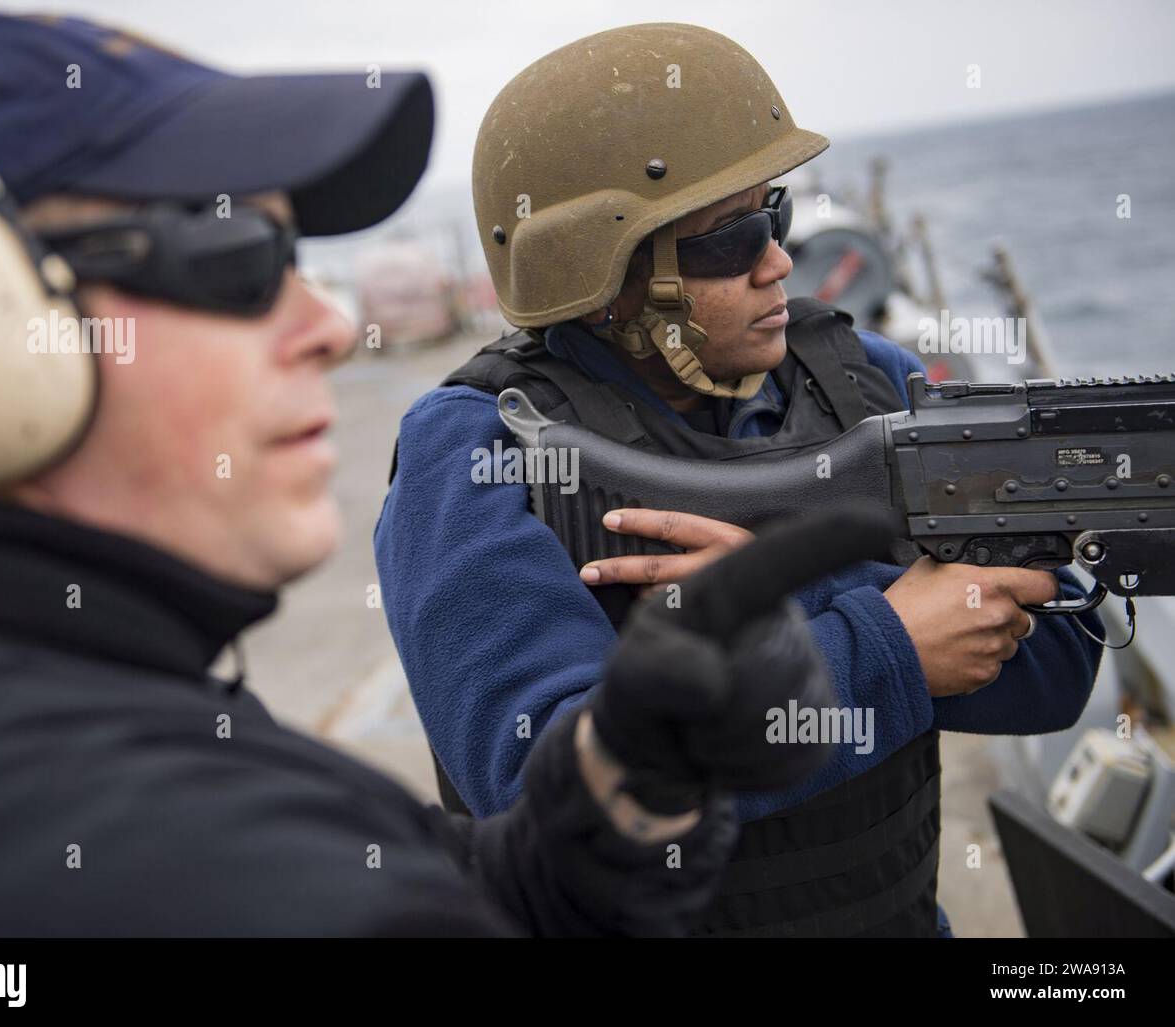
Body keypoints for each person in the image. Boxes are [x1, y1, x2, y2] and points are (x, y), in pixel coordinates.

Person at [0, 13, 850, 937]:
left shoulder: (86, 710)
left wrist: (625, 774)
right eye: (233, 255)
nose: (333, 326)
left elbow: (477, 881)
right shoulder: (131, 841)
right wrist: (882, 643)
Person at [375, 22, 1106, 937]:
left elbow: (1061, 666)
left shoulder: (863, 380)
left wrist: (813, 602)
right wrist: (885, 645)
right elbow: (537, 796)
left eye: (778, 214)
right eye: (734, 237)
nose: (779, 261)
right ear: (608, 278)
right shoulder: (480, 446)